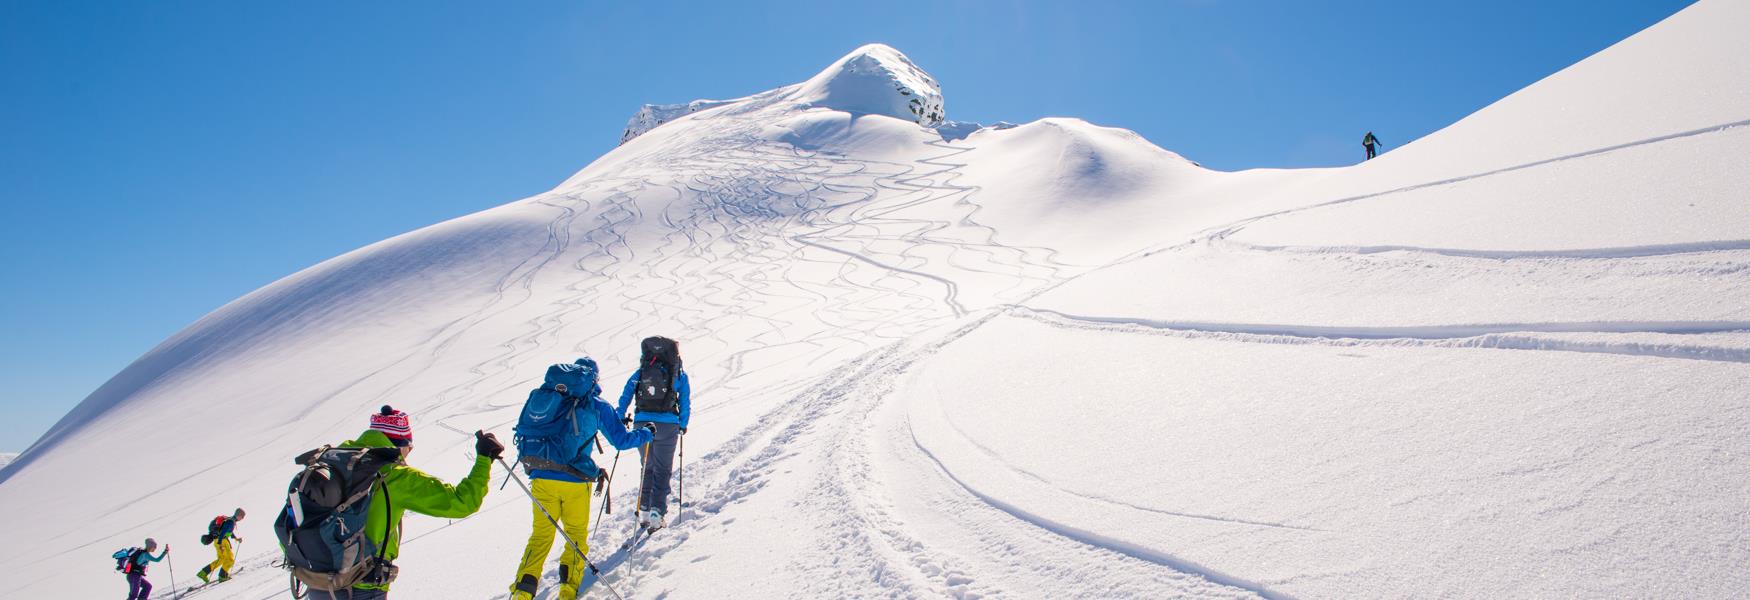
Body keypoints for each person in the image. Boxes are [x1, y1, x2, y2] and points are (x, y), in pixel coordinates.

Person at [303, 405, 503, 600]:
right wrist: (484, 459)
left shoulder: (330, 463)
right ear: (400, 444)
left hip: (318, 582)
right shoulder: (395, 476)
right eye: (410, 447)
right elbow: (462, 502)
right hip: (362, 586)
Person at [509, 358, 655, 600]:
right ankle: (567, 590)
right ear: (593, 378)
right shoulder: (596, 404)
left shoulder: (551, 398)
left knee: (541, 536)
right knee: (575, 535)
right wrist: (646, 433)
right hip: (575, 482)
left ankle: (522, 593)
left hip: (540, 477)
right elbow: (621, 441)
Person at [615, 336, 691, 530]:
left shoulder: (641, 372)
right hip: (667, 426)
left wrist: (619, 416)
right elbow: (685, 402)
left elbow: (626, 394)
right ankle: (657, 512)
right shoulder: (678, 374)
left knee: (647, 466)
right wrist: (682, 424)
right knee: (662, 469)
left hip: (642, 423)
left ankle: (644, 511)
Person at [196, 507, 244, 584]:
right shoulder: (230, 522)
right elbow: (223, 532)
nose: (242, 518)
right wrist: (220, 544)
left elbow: (228, 532)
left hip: (217, 540)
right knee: (230, 559)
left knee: (221, 559)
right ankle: (222, 576)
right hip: (222, 541)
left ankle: (203, 573)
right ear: (239, 515)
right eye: (242, 516)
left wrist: (236, 539)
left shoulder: (230, 520)